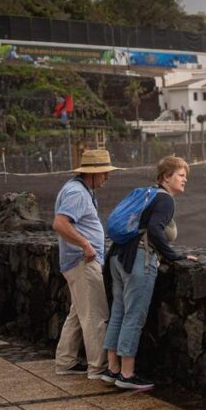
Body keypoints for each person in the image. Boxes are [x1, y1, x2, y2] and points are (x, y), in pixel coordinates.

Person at [102, 156, 197, 390]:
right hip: (138, 259)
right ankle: (127, 374)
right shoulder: (165, 200)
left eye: (186, 176)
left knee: (118, 312)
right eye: (181, 175)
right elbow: (155, 229)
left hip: (116, 256)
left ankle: (111, 369)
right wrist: (174, 255)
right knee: (134, 315)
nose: (185, 180)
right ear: (166, 176)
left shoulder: (148, 193)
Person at [52, 149, 118, 379]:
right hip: (83, 262)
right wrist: (85, 245)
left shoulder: (78, 189)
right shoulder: (77, 193)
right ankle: (98, 368)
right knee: (96, 316)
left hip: (76, 261)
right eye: (103, 173)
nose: (106, 178)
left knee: (78, 315)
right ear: (92, 173)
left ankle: (65, 362)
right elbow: (60, 223)